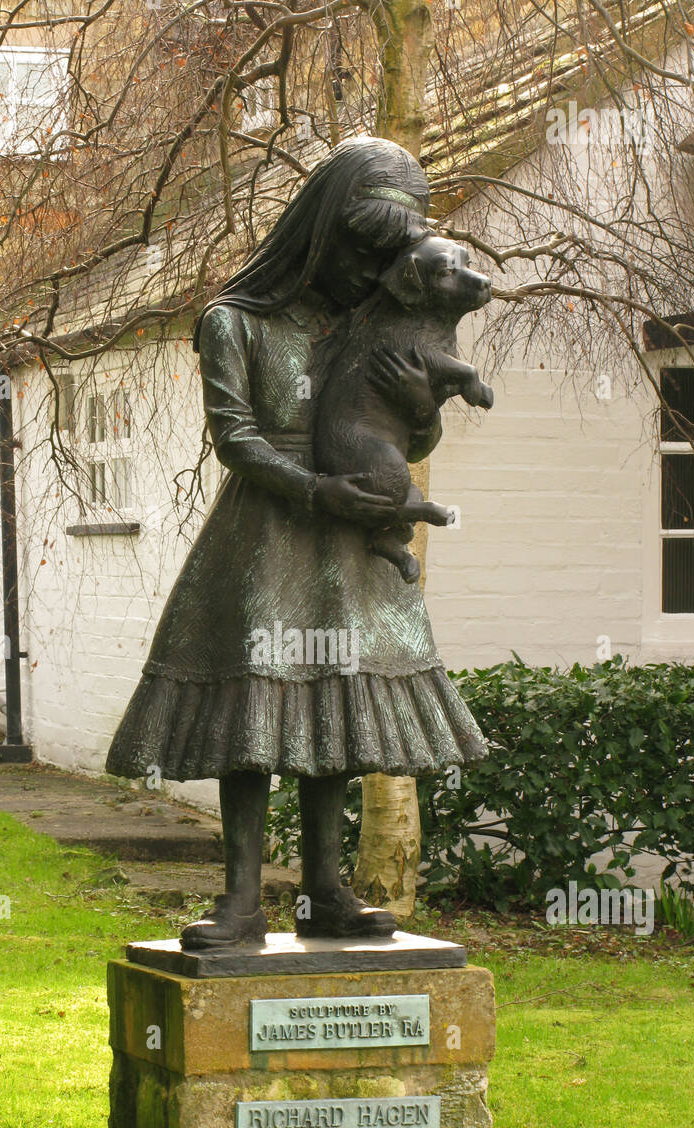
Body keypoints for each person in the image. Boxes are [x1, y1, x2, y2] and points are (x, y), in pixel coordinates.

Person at [106, 136, 487, 948]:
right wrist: (317, 489)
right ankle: (241, 896)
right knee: (255, 708)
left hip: (347, 538)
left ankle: (324, 891)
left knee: (335, 707)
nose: (368, 268)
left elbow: (409, 441)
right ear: (323, 229)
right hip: (268, 531)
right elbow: (237, 438)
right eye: (361, 247)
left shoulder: (371, 324)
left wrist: (424, 408)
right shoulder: (233, 321)